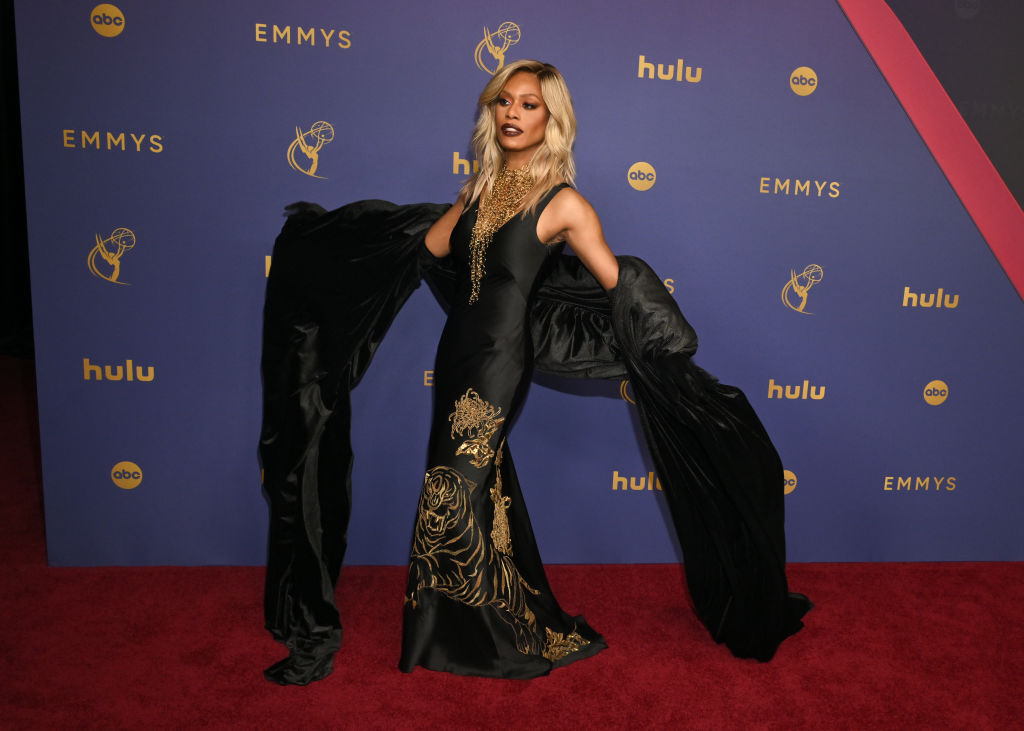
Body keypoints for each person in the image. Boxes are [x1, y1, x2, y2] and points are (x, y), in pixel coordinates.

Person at [260, 60, 810, 686]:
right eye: (504, 101)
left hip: (500, 359)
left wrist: (666, 352)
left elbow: (617, 283)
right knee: (474, 484)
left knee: (454, 486)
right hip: (456, 351)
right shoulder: (478, 188)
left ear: (552, 119)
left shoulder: (564, 203)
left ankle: (468, 636)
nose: (512, 114)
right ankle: (492, 614)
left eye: (529, 104)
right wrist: (383, 233)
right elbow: (428, 251)